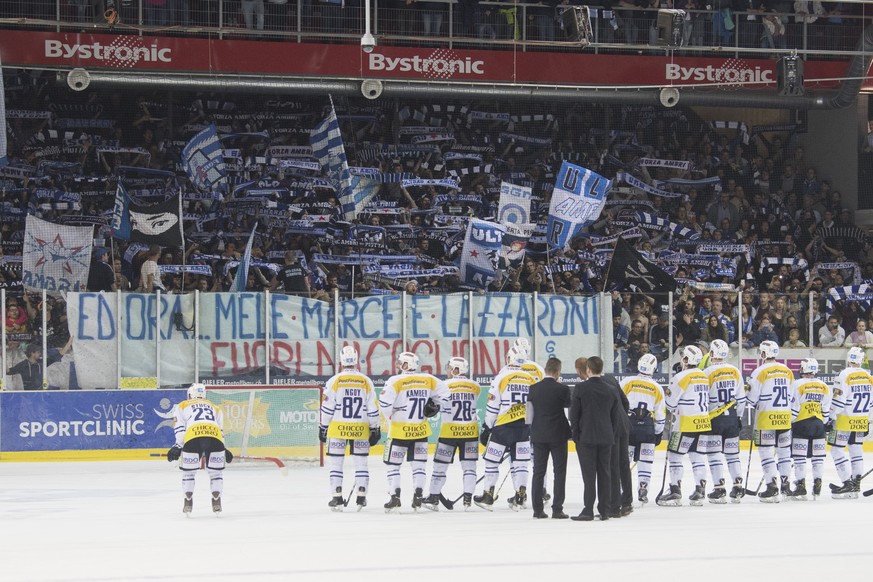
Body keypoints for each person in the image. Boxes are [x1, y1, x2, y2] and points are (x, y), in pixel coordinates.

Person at [379, 351, 449, 512]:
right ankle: (418, 495)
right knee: (419, 467)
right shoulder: (428, 379)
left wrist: (390, 415)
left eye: (400, 362)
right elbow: (445, 394)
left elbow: (384, 403)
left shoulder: (395, 380)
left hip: (398, 433)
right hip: (421, 432)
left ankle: (394, 497)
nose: (397, 364)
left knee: (393, 466)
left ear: (405, 364)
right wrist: (434, 404)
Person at [474, 346, 536, 511]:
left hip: (503, 427)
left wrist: (487, 427)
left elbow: (493, 406)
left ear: (509, 358)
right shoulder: (530, 378)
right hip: (524, 428)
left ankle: (488, 495)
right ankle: (520, 496)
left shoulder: (501, 377)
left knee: (492, 461)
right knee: (521, 463)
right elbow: (533, 406)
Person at [319, 346, 380, 511]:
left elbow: (327, 407)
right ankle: (361, 495)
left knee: (336, 463)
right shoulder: (366, 381)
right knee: (361, 463)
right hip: (360, 429)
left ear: (341, 361)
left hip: (338, 429)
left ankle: (336, 496)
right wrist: (375, 427)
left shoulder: (335, 380)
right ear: (356, 360)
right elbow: (372, 408)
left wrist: (323, 426)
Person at [421, 357, 481, 511]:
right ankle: (468, 498)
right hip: (470, 432)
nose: (447, 370)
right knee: (469, 467)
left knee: (440, 466)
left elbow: (432, 406)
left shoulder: (443, 385)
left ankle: (433, 497)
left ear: (455, 370)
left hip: (449, 433)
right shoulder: (475, 386)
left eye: (450, 368)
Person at [656, 345, 711, 507]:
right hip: (703, 422)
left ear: (686, 359)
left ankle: (675, 491)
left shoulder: (681, 377)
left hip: (685, 423)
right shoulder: (703, 376)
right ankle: (700, 491)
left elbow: (670, 403)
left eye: (683, 356)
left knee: (675, 456)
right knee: (697, 456)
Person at [569, 356, 622, 521]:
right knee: (605, 473)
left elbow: (574, 416)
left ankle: (588, 510)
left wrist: (576, 435)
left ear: (588, 370)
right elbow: (615, 418)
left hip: (586, 437)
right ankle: (605, 510)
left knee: (589, 475)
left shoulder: (580, 389)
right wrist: (610, 435)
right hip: (606, 437)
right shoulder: (611, 389)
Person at [166, 383, 232, 515]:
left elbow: (180, 427)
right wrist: (223, 448)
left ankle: (188, 500)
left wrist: (178, 445)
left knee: (189, 473)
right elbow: (220, 430)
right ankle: (216, 499)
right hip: (215, 437)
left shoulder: (182, 405)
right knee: (216, 473)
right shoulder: (215, 407)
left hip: (193, 436)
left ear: (190, 394)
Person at [747, 340, 795, 502]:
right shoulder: (787, 371)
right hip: (785, 417)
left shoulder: (759, 372)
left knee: (767, 453)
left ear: (764, 354)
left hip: (767, 418)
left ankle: (771, 486)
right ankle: (786, 485)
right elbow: (792, 396)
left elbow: (752, 398)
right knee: (784, 453)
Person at [701, 339, 747, 503]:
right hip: (732, 418)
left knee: (714, 454)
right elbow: (741, 398)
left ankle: (719, 488)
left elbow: (703, 399)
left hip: (714, 418)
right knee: (733, 454)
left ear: (711, 353)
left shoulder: (706, 373)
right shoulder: (735, 371)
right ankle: (738, 485)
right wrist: (739, 417)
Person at [527, 357, 571, 519]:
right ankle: (557, 509)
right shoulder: (563, 389)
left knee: (538, 472)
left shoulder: (533, 389)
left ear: (545, 370)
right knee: (559, 472)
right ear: (558, 372)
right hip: (558, 434)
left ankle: (537, 510)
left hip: (539, 434)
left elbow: (529, 416)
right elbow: (567, 408)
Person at [620, 353, 665, 505]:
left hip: (629, 425)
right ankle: (643, 489)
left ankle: (622, 491)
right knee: (646, 461)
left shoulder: (627, 381)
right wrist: (658, 433)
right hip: (647, 427)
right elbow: (660, 414)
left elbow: (617, 404)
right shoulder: (657, 387)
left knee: (625, 460)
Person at [828, 346, 873, 499]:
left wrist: (830, 417)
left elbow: (839, 401)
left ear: (849, 359)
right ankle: (856, 483)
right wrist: (866, 419)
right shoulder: (868, 375)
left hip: (844, 420)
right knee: (856, 450)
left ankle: (847, 483)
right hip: (861, 419)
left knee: (836, 449)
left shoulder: (844, 374)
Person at [787, 358, 831, 500]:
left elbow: (794, 407)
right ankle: (817, 485)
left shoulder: (797, 384)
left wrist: (789, 423)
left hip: (801, 424)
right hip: (818, 425)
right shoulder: (823, 385)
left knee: (799, 458)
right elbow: (825, 408)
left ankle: (800, 486)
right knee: (818, 459)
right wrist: (822, 421)